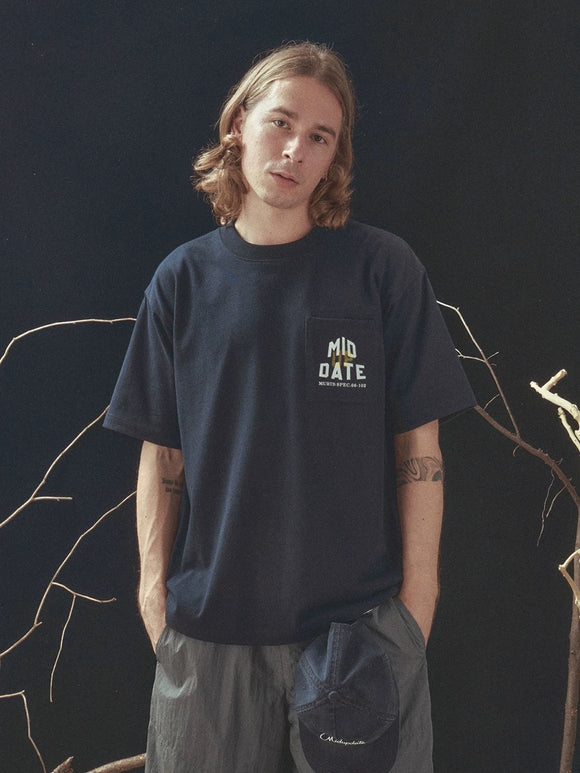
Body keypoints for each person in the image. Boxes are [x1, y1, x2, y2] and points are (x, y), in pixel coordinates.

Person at [104, 41, 475, 772]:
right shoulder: (182, 282)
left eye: (320, 137)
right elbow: (163, 453)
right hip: (209, 636)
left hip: (358, 635)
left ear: (334, 158)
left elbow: (419, 448)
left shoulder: (381, 272)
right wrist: (153, 596)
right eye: (280, 122)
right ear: (238, 124)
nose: (295, 150)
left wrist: (415, 610)